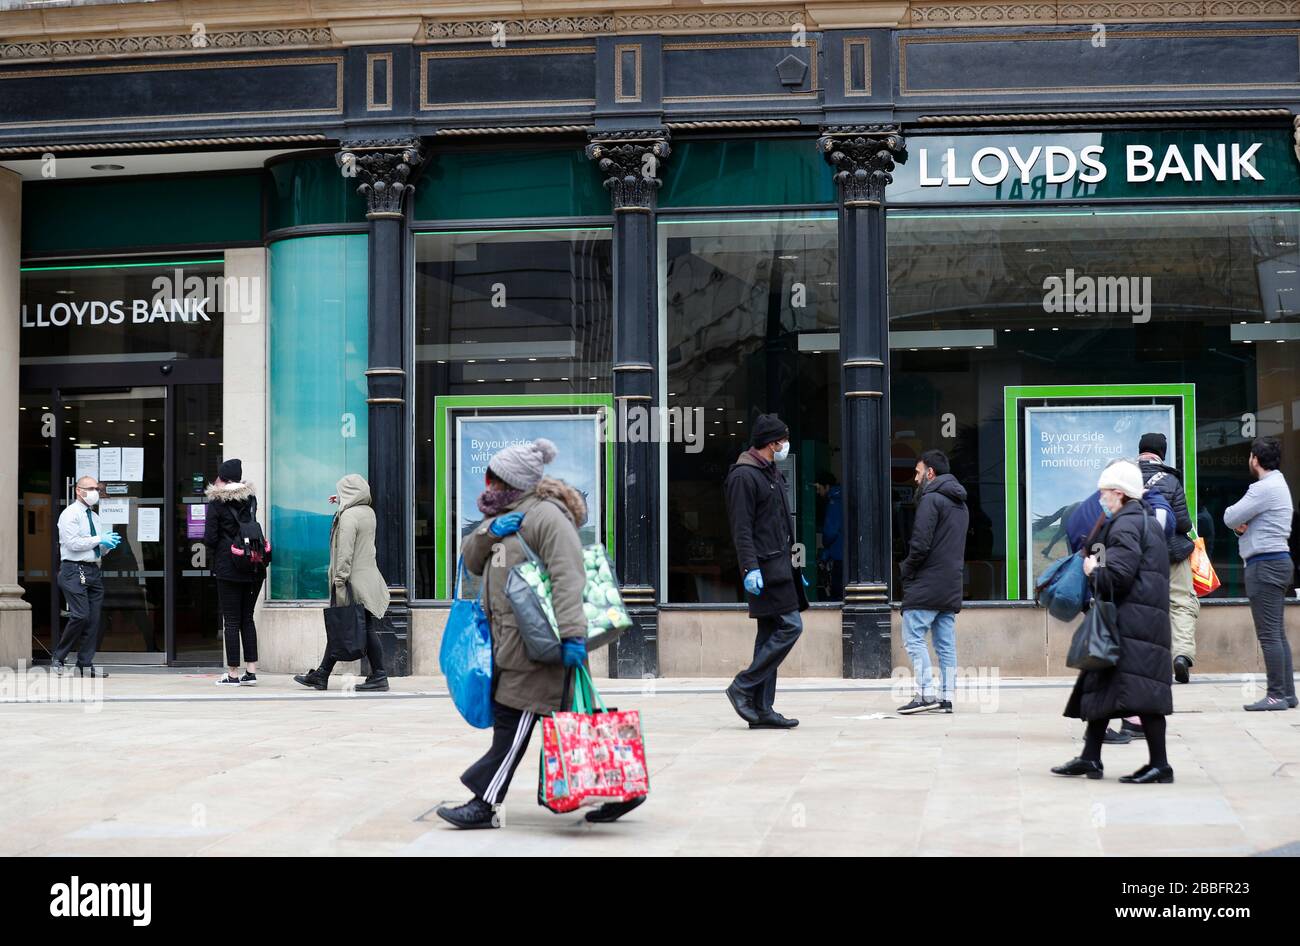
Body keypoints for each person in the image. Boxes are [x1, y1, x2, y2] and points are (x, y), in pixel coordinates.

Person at [436, 438, 643, 828]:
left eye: (493, 478)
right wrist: (489, 532)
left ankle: (483, 803)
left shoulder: (547, 517)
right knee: (574, 718)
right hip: (510, 643)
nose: (487, 485)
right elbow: (474, 561)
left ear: (510, 481)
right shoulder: (503, 516)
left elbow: (568, 576)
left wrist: (572, 636)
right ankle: (625, 787)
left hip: (540, 645)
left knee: (511, 726)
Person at [1053, 459, 1174, 783]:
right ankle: (1090, 757)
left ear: (1119, 494)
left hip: (1132, 621)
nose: (1101, 498)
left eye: (1105, 492)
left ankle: (1160, 765)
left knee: (1143, 693)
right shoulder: (1143, 521)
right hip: (1139, 619)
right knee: (1100, 684)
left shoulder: (1126, 524)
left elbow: (1118, 576)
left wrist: (1093, 570)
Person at [722, 414, 808, 729]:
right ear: (773, 443)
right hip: (765, 568)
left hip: (780, 564)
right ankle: (742, 687)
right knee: (791, 627)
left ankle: (762, 709)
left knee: (769, 635)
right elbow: (741, 528)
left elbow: (778, 520)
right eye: (783, 440)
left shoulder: (767, 471)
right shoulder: (745, 475)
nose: (786, 444)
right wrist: (749, 568)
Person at [293, 474, 391, 693]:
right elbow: (356, 511)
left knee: (353, 626)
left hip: (352, 581)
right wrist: (341, 500)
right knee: (351, 626)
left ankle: (379, 676)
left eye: (341, 491)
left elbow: (345, 552)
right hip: (368, 577)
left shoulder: (348, 517)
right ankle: (323, 674)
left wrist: (339, 580)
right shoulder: (368, 513)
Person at [1224, 437, 1296, 711]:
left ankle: (1276, 695)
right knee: (1276, 632)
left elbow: (1230, 516)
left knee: (1268, 635)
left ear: (1255, 459)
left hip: (1264, 565)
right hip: (1278, 561)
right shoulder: (1279, 484)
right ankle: (1287, 694)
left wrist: (1241, 524)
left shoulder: (1263, 488)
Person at [896, 449, 969, 714]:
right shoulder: (960, 503)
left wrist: (906, 569)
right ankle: (946, 697)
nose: (915, 479)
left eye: (917, 473)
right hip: (950, 583)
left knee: (914, 638)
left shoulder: (931, 500)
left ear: (930, 473)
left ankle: (925, 694)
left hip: (927, 582)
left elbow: (920, 543)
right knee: (946, 644)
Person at [1136, 433, 1200, 685]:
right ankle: (1181, 655)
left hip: (1138, 554)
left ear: (1140, 450)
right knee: (1182, 603)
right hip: (1171, 553)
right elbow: (1183, 522)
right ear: (1161, 453)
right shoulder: (1171, 480)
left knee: (1141, 607)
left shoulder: (1125, 476)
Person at [204, 459, 264, 687]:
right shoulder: (251, 499)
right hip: (253, 565)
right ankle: (251, 672)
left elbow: (210, 538)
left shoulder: (216, 502)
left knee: (231, 621)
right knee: (247, 619)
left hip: (229, 567)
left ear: (223, 478)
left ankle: (232, 674)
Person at [52, 475, 120, 676]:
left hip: (92, 570)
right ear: (78, 491)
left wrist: (107, 545)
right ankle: (59, 656)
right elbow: (72, 544)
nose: (95, 492)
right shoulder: (69, 514)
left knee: (94, 620)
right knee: (81, 615)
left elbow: (96, 546)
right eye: (90, 488)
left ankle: (85, 664)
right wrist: (99, 538)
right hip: (73, 569)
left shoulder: (95, 517)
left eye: (96, 489)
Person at [814, 471, 844, 600]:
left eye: (819, 488)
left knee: (837, 591)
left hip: (839, 554)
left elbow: (831, 530)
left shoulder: (834, 501)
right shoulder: (842, 497)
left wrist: (825, 543)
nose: (817, 492)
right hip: (843, 553)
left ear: (826, 486)